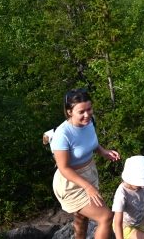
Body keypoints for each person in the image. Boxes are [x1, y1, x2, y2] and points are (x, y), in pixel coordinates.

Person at [51, 88, 120, 239]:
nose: (87, 115)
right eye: (81, 112)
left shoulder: (89, 122)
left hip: (89, 173)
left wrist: (103, 151)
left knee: (82, 217)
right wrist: (87, 187)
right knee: (106, 217)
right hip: (71, 182)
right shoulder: (63, 135)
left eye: (89, 109)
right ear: (69, 112)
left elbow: (90, 144)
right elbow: (63, 168)